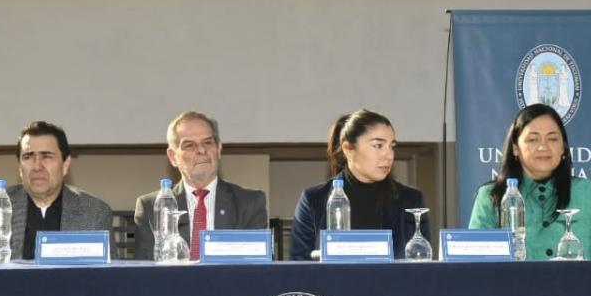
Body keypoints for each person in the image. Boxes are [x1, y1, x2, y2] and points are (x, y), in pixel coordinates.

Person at [468, 103, 591, 260]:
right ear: (515, 148)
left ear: (563, 148)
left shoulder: (586, 193)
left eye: (552, 139)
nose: (543, 147)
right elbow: (478, 267)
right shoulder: (491, 197)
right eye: (533, 139)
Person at [290, 109, 430, 260]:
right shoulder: (314, 199)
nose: (389, 155)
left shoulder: (410, 199)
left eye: (392, 146)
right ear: (348, 149)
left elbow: (421, 266)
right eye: (378, 145)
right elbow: (300, 265)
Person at [0, 121, 114, 261]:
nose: (37, 166)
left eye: (46, 156)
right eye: (28, 157)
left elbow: (111, 278)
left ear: (65, 164)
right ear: (20, 167)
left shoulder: (95, 211)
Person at [133, 110, 268, 260]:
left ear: (219, 149)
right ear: (173, 157)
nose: (202, 150)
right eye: (190, 145)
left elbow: (258, 267)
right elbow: (144, 271)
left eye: (208, 142)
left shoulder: (249, 202)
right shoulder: (150, 206)